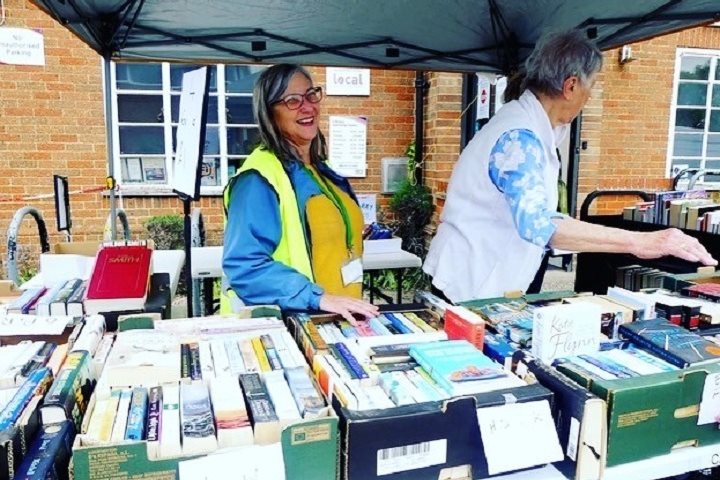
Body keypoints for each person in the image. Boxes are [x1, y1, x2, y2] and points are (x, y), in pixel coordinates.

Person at [424, 30, 716, 304]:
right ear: (571, 85)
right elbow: (539, 225)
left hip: (481, 277)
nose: (588, 97)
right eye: (592, 86)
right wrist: (641, 241)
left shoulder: (531, 125)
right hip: (471, 284)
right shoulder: (519, 137)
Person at [222, 64, 379, 323]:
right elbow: (244, 266)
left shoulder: (320, 171)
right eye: (292, 101)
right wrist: (316, 296)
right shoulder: (258, 179)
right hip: (290, 326)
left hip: (335, 322)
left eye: (311, 95)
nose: (307, 107)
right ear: (270, 113)